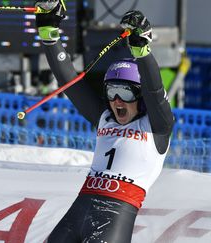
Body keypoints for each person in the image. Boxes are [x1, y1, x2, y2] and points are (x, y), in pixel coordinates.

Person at [34, 1, 175, 242]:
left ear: (140, 98)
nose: (117, 100)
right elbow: (69, 80)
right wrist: (49, 34)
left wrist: (142, 50)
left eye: (126, 93)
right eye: (111, 92)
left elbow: (154, 89)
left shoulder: (157, 127)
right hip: (78, 212)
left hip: (115, 216)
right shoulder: (105, 118)